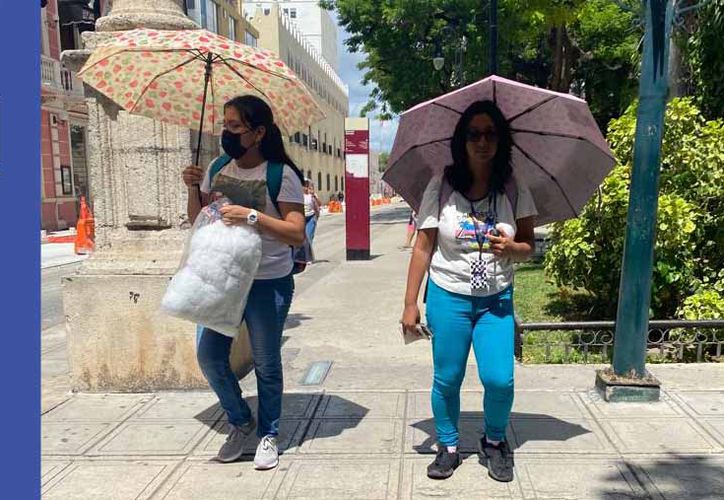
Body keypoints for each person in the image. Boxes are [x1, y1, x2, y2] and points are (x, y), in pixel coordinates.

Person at [401, 100, 537, 482]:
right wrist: (410, 303)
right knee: (448, 377)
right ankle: (447, 445)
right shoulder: (442, 186)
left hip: (496, 300)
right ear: (462, 140)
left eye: (490, 134)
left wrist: (511, 249)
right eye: (474, 133)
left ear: (501, 140)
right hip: (448, 296)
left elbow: (529, 245)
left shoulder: (512, 186)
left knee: (499, 379)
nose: (482, 142)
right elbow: (423, 246)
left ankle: (494, 442)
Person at [182, 95, 305, 471]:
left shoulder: (280, 175)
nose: (227, 133)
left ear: (259, 132)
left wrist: (252, 216)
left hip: (268, 280)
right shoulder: (218, 167)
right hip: (222, 277)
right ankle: (240, 420)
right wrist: (192, 188)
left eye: (236, 126)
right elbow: (196, 219)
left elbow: (296, 233)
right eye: (225, 124)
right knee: (209, 355)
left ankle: (268, 432)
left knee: (267, 363)